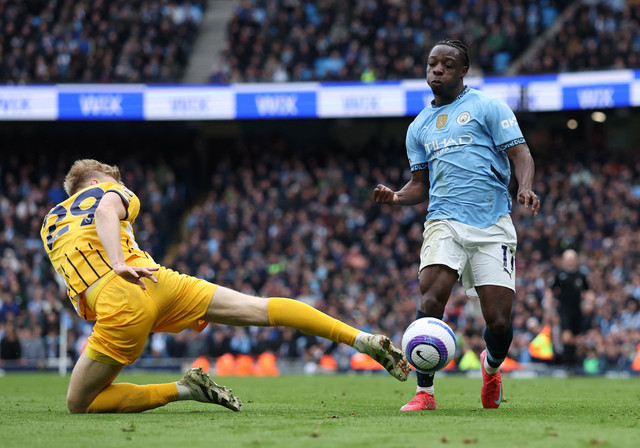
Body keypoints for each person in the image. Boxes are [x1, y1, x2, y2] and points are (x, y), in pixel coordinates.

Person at [41, 159, 410, 414]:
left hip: (120, 298)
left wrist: (115, 268)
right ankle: (360, 339)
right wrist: (120, 261)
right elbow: (107, 209)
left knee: (80, 403)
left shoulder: (49, 223)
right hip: (157, 280)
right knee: (259, 308)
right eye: (111, 178)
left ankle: (185, 389)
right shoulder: (113, 191)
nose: (117, 183)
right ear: (95, 181)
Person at [373, 39, 541, 411]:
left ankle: (491, 366)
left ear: (462, 71)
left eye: (447, 65)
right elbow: (420, 186)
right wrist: (396, 197)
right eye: (432, 64)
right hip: (444, 220)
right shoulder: (418, 127)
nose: (437, 70)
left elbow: (521, 153)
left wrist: (525, 187)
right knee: (431, 298)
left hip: (492, 223)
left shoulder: (487, 106)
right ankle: (424, 393)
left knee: (498, 323)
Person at [551, 249, 589, 371]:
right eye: (568, 259)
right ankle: (567, 363)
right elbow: (551, 291)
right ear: (563, 261)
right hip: (564, 309)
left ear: (576, 260)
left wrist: (590, 303)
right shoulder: (559, 275)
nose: (570, 262)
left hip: (577, 310)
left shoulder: (580, 276)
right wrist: (550, 308)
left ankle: (572, 364)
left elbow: (588, 291)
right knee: (566, 337)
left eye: (572, 259)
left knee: (576, 338)